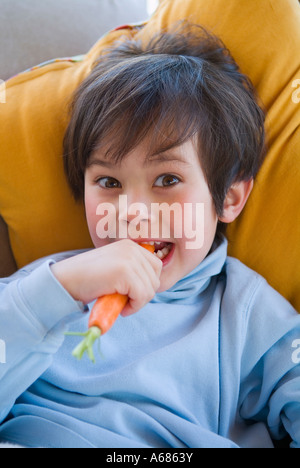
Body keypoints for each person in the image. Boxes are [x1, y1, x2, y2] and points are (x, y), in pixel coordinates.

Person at [0, 23, 299, 449]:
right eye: (108, 183)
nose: (133, 213)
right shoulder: (45, 286)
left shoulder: (248, 313)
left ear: (229, 197)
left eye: (167, 178)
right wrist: (56, 290)